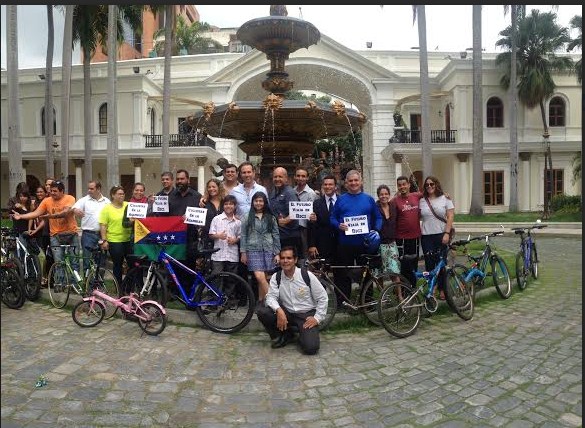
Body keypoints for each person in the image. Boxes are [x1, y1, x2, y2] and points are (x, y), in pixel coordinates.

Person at [256, 246, 328, 354]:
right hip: (287, 312)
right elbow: (270, 297)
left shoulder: (306, 275)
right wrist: (279, 310)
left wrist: (317, 318)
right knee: (263, 311)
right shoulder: (277, 277)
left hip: (306, 315)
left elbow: (323, 297)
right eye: (283, 258)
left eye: (289, 258)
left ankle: (302, 334)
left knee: (311, 348)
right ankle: (284, 335)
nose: (285, 261)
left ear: (295, 260)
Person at [329, 170, 382, 308]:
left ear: (361, 182)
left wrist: (375, 230)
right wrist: (338, 225)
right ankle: (342, 302)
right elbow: (332, 218)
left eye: (356, 180)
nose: (353, 183)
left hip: (365, 244)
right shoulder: (341, 200)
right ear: (346, 183)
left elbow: (378, 217)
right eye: (350, 181)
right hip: (345, 244)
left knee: (366, 274)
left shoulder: (368, 199)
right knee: (342, 274)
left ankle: (367, 302)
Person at [11, 180, 80, 273]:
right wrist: (21, 216)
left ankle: (75, 285)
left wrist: (50, 216)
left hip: (71, 233)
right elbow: (35, 213)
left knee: (74, 262)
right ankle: (60, 285)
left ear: (62, 191)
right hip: (55, 235)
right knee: (59, 262)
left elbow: (65, 212)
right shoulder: (47, 201)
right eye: (51, 191)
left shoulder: (69, 198)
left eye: (55, 191)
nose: (52, 193)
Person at [240, 191, 280, 306]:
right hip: (252, 250)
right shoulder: (247, 217)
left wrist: (277, 253)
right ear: (253, 202)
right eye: (256, 201)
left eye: (261, 201)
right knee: (259, 276)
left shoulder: (271, 217)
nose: (258, 203)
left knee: (263, 278)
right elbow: (243, 235)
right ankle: (275, 303)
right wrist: (243, 252)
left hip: (268, 249)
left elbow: (276, 235)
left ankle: (261, 302)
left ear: (264, 202)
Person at [419, 175, 455, 298]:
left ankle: (442, 288)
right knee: (429, 264)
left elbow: (450, 216)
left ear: (436, 185)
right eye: (427, 185)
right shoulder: (422, 200)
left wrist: (447, 233)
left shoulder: (445, 198)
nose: (429, 186)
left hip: (441, 234)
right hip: (426, 236)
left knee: (442, 263)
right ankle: (432, 286)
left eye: (432, 184)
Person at [71, 180, 110, 273]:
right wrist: (75, 210)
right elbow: (73, 208)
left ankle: (98, 285)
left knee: (101, 261)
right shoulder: (84, 200)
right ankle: (87, 285)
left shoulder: (107, 202)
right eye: (88, 188)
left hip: (102, 235)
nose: (89, 190)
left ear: (99, 189)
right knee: (87, 261)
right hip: (88, 235)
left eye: (92, 188)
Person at [207, 195, 241, 298]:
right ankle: (214, 299)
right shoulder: (217, 219)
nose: (228, 206)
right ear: (223, 206)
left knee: (231, 278)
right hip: (218, 254)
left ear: (235, 206)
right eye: (226, 204)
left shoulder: (238, 222)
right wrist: (219, 236)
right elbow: (211, 234)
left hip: (232, 254)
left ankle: (227, 300)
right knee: (216, 277)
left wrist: (235, 240)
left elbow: (240, 235)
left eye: (231, 204)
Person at [98, 186, 132, 286]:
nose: (122, 196)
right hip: (114, 240)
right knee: (118, 265)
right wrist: (104, 240)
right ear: (113, 195)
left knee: (132, 265)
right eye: (119, 194)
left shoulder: (128, 205)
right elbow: (103, 225)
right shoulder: (107, 209)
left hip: (128, 240)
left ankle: (128, 287)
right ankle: (119, 287)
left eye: (123, 194)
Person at [394, 175, 423, 288]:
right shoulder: (395, 201)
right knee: (403, 265)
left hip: (415, 238)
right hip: (401, 239)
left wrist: (444, 195)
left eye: (404, 184)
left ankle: (412, 288)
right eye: (400, 185)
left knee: (413, 264)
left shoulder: (416, 196)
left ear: (409, 185)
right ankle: (402, 289)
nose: (402, 187)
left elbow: (431, 194)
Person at [269, 166, 302, 257]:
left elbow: (296, 211)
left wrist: (286, 220)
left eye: (280, 177)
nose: (277, 179)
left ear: (286, 179)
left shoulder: (290, 193)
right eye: (275, 177)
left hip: (289, 236)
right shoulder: (273, 192)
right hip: (278, 235)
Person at [307, 174, 338, 261]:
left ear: (335, 186)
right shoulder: (316, 203)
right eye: (325, 184)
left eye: (330, 184)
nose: (327, 187)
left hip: (340, 244)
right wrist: (312, 245)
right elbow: (312, 226)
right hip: (322, 245)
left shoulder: (342, 201)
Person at [294, 166, 318, 260]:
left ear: (307, 178)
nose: (300, 178)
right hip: (294, 228)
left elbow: (314, 213)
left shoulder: (311, 194)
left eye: (303, 176)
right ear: (295, 177)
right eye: (298, 176)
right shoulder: (292, 192)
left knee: (305, 255)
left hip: (305, 229)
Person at [376, 184, 400, 278]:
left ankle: (399, 293)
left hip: (391, 243)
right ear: (378, 196)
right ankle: (383, 292)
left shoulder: (393, 206)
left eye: (386, 194)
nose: (384, 196)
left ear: (389, 195)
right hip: (379, 244)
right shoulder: (375, 207)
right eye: (381, 194)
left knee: (395, 270)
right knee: (379, 272)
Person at [200, 178, 225, 250]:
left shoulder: (225, 202)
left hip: (224, 238)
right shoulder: (203, 203)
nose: (211, 189)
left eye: (214, 187)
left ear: (219, 188)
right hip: (208, 240)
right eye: (209, 187)